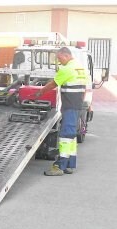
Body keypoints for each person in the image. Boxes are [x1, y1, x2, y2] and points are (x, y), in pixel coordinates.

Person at [36, 47, 87, 176]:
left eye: (59, 58)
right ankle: (70, 164)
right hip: (77, 105)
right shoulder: (79, 67)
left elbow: (53, 84)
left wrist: (40, 91)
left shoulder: (67, 69)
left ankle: (60, 166)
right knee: (71, 136)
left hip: (70, 106)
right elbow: (84, 88)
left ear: (65, 56)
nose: (59, 62)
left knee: (65, 136)